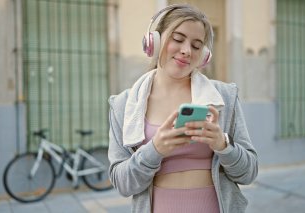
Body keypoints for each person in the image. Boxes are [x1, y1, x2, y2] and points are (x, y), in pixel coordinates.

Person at [108, 4, 258, 213]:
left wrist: (223, 145)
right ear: (154, 41)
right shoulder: (123, 105)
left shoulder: (225, 97)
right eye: (178, 39)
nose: (186, 50)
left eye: (196, 46)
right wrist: (155, 150)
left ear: (204, 55)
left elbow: (248, 173)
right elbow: (123, 184)